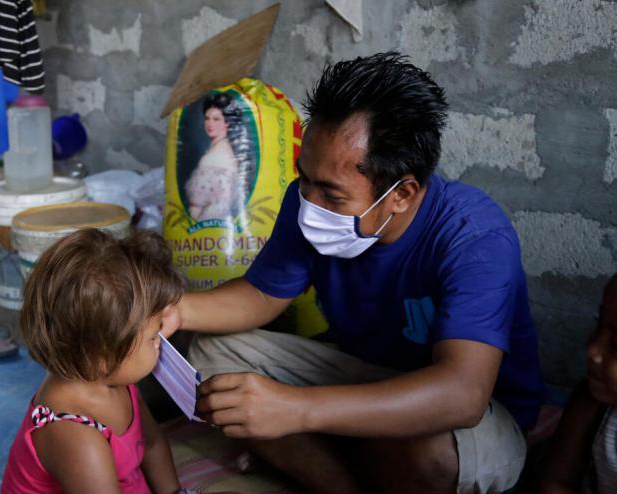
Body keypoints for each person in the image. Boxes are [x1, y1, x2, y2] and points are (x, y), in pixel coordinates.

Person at [163, 52, 545, 493]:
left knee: (426, 449)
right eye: (304, 179)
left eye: (332, 194)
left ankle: (323, 446)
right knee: (213, 353)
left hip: (472, 417)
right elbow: (262, 296)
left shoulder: (474, 236)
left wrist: (297, 410)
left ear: (402, 194)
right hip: (367, 375)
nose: (310, 202)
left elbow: (462, 394)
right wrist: (172, 310)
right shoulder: (308, 198)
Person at [1, 229, 189, 494]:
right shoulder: (75, 435)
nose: (160, 339)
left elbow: (151, 444)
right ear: (102, 354)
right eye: (152, 336)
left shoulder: (114, 377)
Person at [540, 275, 617, 493]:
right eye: (598, 326)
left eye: (616, 345)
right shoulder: (591, 403)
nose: (592, 351)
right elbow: (556, 482)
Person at [186, 93, 241, 221]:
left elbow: (220, 204)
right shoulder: (215, 148)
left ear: (227, 123)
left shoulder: (220, 154)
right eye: (207, 118)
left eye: (216, 119)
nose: (210, 124)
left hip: (210, 221)